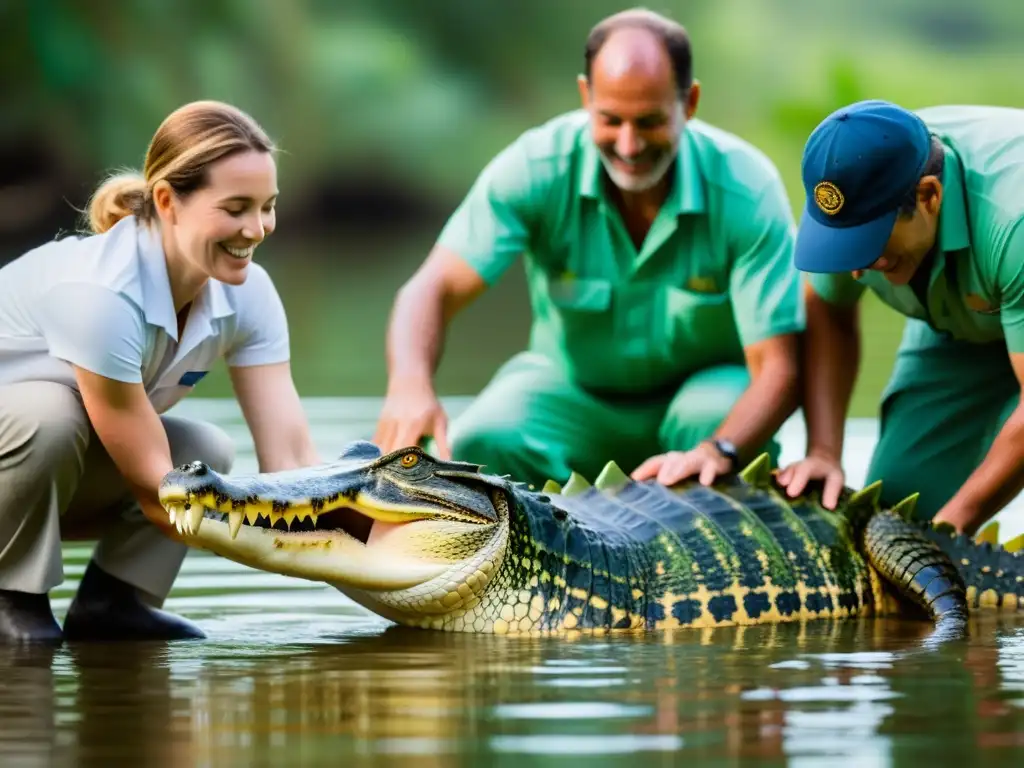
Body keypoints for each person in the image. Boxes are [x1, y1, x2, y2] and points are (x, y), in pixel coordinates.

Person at [373, 8, 804, 490]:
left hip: (703, 404)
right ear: (585, 96)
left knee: (709, 417)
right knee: (482, 438)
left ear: (691, 101)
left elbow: (778, 366)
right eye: (610, 119)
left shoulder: (747, 188)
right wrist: (409, 385)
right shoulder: (535, 168)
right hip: (572, 393)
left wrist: (717, 448)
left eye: (650, 121)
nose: (629, 144)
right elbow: (432, 287)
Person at [0, 100, 321, 644]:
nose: (258, 228)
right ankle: (12, 600)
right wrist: (266, 537)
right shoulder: (100, 294)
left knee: (205, 454)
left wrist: (367, 548)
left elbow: (291, 465)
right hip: (26, 448)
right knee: (52, 418)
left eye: (268, 206)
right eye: (236, 207)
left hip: (44, 476)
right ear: (169, 201)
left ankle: (113, 603)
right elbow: (157, 491)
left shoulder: (249, 293)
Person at [777, 99, 1024, 536]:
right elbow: (826, 306)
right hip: (966, 320)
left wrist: (954, 526)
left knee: (930, 538)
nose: (853, 270)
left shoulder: (1013, 219)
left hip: (1005, 262)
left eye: (868, 244)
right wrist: (823, 450)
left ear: (929, 196)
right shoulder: (844, 190)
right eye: (843, 245)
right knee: (899, 516)